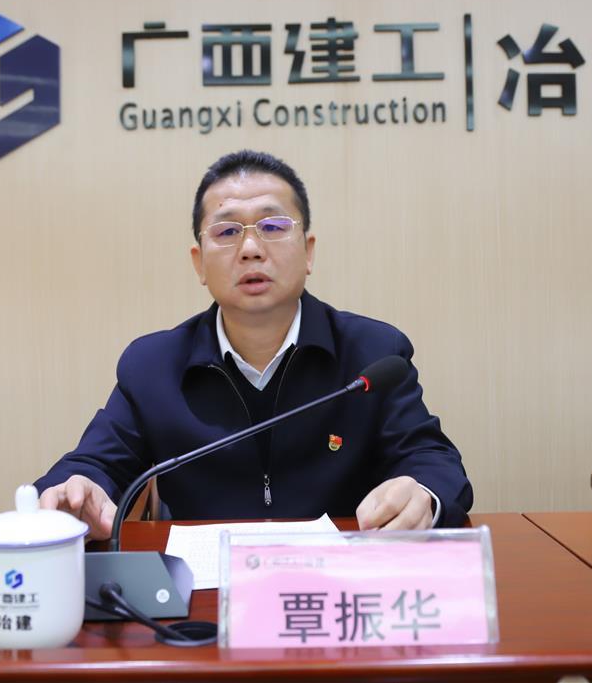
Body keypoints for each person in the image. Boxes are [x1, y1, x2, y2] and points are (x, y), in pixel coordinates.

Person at [35, 150, 472, 539]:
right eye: (227, 232)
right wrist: (77, 490)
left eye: (273, 226)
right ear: (198, 263)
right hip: (202, 590)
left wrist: (423, 493)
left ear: (308, 252)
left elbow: (431, 459)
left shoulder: (373, 352)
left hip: (339, 585)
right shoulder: (153, 366)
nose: (249, 249)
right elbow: (93, 464)